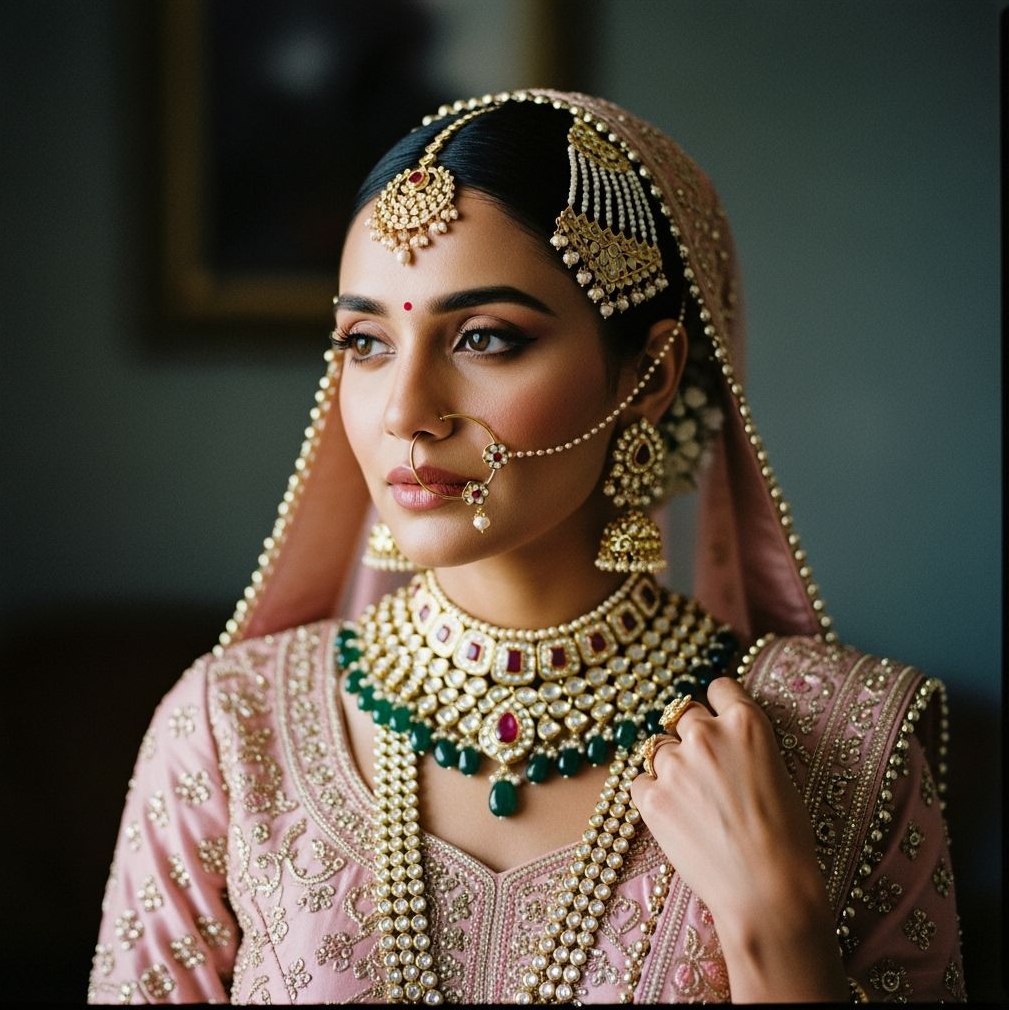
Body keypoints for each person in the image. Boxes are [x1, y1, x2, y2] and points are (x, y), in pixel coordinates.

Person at [87, 88, 965, 1004]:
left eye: (485, 338)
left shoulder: (845, 741)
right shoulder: (231, 731)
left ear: (651, 374)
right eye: (366, 341)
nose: (404, 413)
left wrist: (778, 932)